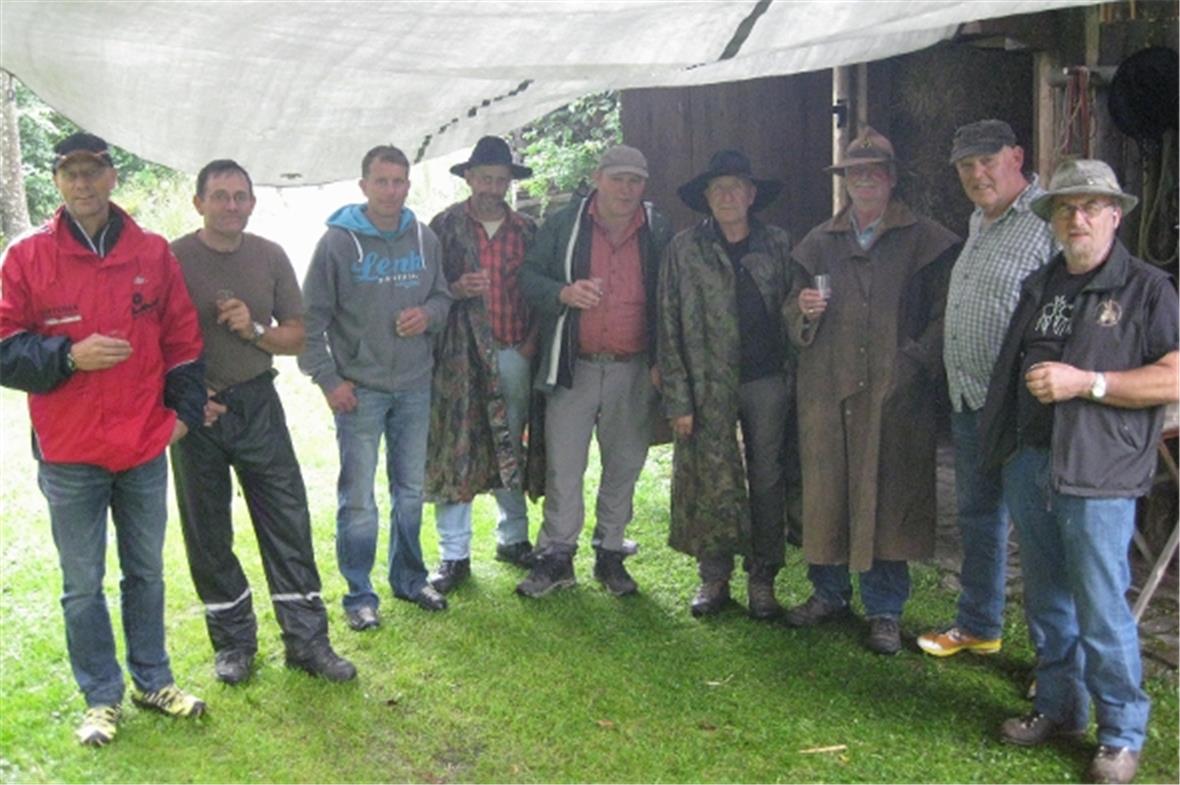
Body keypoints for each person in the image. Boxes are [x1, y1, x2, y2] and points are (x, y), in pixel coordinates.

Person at [0, 132, 207, 746]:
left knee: (146, 574)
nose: (82, 184)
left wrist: (184, 417)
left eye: (93, 172)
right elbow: (4, 348)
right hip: (71, 453)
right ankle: (100, 698)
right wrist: (68, 356)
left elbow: (183, 340)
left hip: (144, 447)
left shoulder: (149, 250)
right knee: (81, 585)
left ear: (112, 177)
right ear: (59, 181)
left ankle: (153, 679)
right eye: (71, 174)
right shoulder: (26, 257)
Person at [980, 158, 1178, 785]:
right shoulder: (1040, 284)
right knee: (1047, 600)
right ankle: (1059, 707)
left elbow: (1173, 375)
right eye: (1066, 207)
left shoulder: (1147, 289)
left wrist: (1087, 383)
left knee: (1100, 607)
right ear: (1054, 220)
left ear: (1115, 216)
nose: (1078, 217)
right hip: (1032, 464)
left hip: (1099, 473)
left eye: (1092, 206)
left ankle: (1121, 735)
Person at [170, 159, 356, 684]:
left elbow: (297, 336)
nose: (231, 205)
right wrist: (182, 396)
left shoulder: (269, 256)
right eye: (220, 195)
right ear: (199, 202)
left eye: (240, 196)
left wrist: (252, 328)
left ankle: (307, 642)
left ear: (252, 202)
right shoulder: (172, 258)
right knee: (207, 532)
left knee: (287, 520)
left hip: (258, 404)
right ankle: (233, 645)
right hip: (194, 410)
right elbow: (151, 339)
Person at [783, 126, 960, 655]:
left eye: (874, 174)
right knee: (828, 492)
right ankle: (829, 593)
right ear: (845, 182)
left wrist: (914, 362)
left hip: (894, 391)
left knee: (889, 496)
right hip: (828, 389)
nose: (864, 182)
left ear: (891, 179)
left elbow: (944, 315)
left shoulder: (927, 240)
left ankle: (885, 609)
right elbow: (790, 309)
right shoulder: (819, 241)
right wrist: (803, 312)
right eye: (854, 174)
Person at [917, 119, 1057, 658]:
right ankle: (980, 623)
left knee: (1039, 533)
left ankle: (1055, 663)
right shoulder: (979, 220)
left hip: (1024, 407)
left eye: (987, 160)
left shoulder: (1047, 219)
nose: (977, 174)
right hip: (971, 399)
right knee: (979, 517)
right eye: (965, 166)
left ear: (1017, 156)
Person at [299, 145, 452, 628]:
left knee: (409, 490)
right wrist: (328, 380)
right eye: (381, 181)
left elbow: (443, 297)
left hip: (413, 386)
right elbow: (310, 322)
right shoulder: (338, 244)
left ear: (408, 185)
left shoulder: (425, 240)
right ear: (363, 185)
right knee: (359, 499)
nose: (391, 190)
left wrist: (427, 315)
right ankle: (359, 595)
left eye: (399, 181)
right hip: (359, 391)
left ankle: (409, 579)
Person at [516, 145, 673, 597]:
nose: (626, 189)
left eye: (635, 180)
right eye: (618, 178)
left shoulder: (656, 227)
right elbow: (528, 276)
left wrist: (665, 359)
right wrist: (564, 293)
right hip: (574, 364)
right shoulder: (567, 223)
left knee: (624, 463)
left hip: (634, 365)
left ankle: (610, 553)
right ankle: (558, 556)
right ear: (598, 177)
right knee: (564, 466)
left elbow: (671, 292)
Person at [658, 149, 795, 619]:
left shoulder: (777, 244)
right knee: (710, 478)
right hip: (706, 385)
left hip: (766, 381)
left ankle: (763, 579)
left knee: (767, 479)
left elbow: (794, 313)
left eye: (736, 187)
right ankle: (713, 578)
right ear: (706, 198)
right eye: (718, 189)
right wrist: (679, 396)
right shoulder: (684, 249)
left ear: (752, 194)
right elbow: (669, 324)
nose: (728, 196)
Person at [425, 137, 538, 593]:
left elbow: (544, 292)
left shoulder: (530, 230)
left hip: (513, 350)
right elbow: (425, 288)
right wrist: (454, 288)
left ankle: (514, 537)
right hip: (457, 353)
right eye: (485, 177)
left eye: (500, 178)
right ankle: (454, 554)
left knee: (512, 439)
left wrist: (530, 345)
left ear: (510, 181)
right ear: (469, 179)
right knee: (456, 444)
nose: (493, 186)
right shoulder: (443, 226)